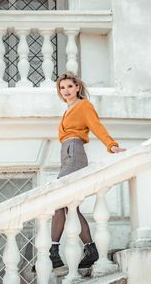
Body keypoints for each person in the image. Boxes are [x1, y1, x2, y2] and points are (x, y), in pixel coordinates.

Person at [50, 72, 125, 270]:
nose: (65, 91)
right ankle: (88, 248)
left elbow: (97, 127)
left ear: (77, 88)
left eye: (69, 86)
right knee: (68, 206)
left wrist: (112, 145)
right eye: (62, 88)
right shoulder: (68, 109)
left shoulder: (84, 106)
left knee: (59, 201)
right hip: (66, 153)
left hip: (74, 152)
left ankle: (53, 253)